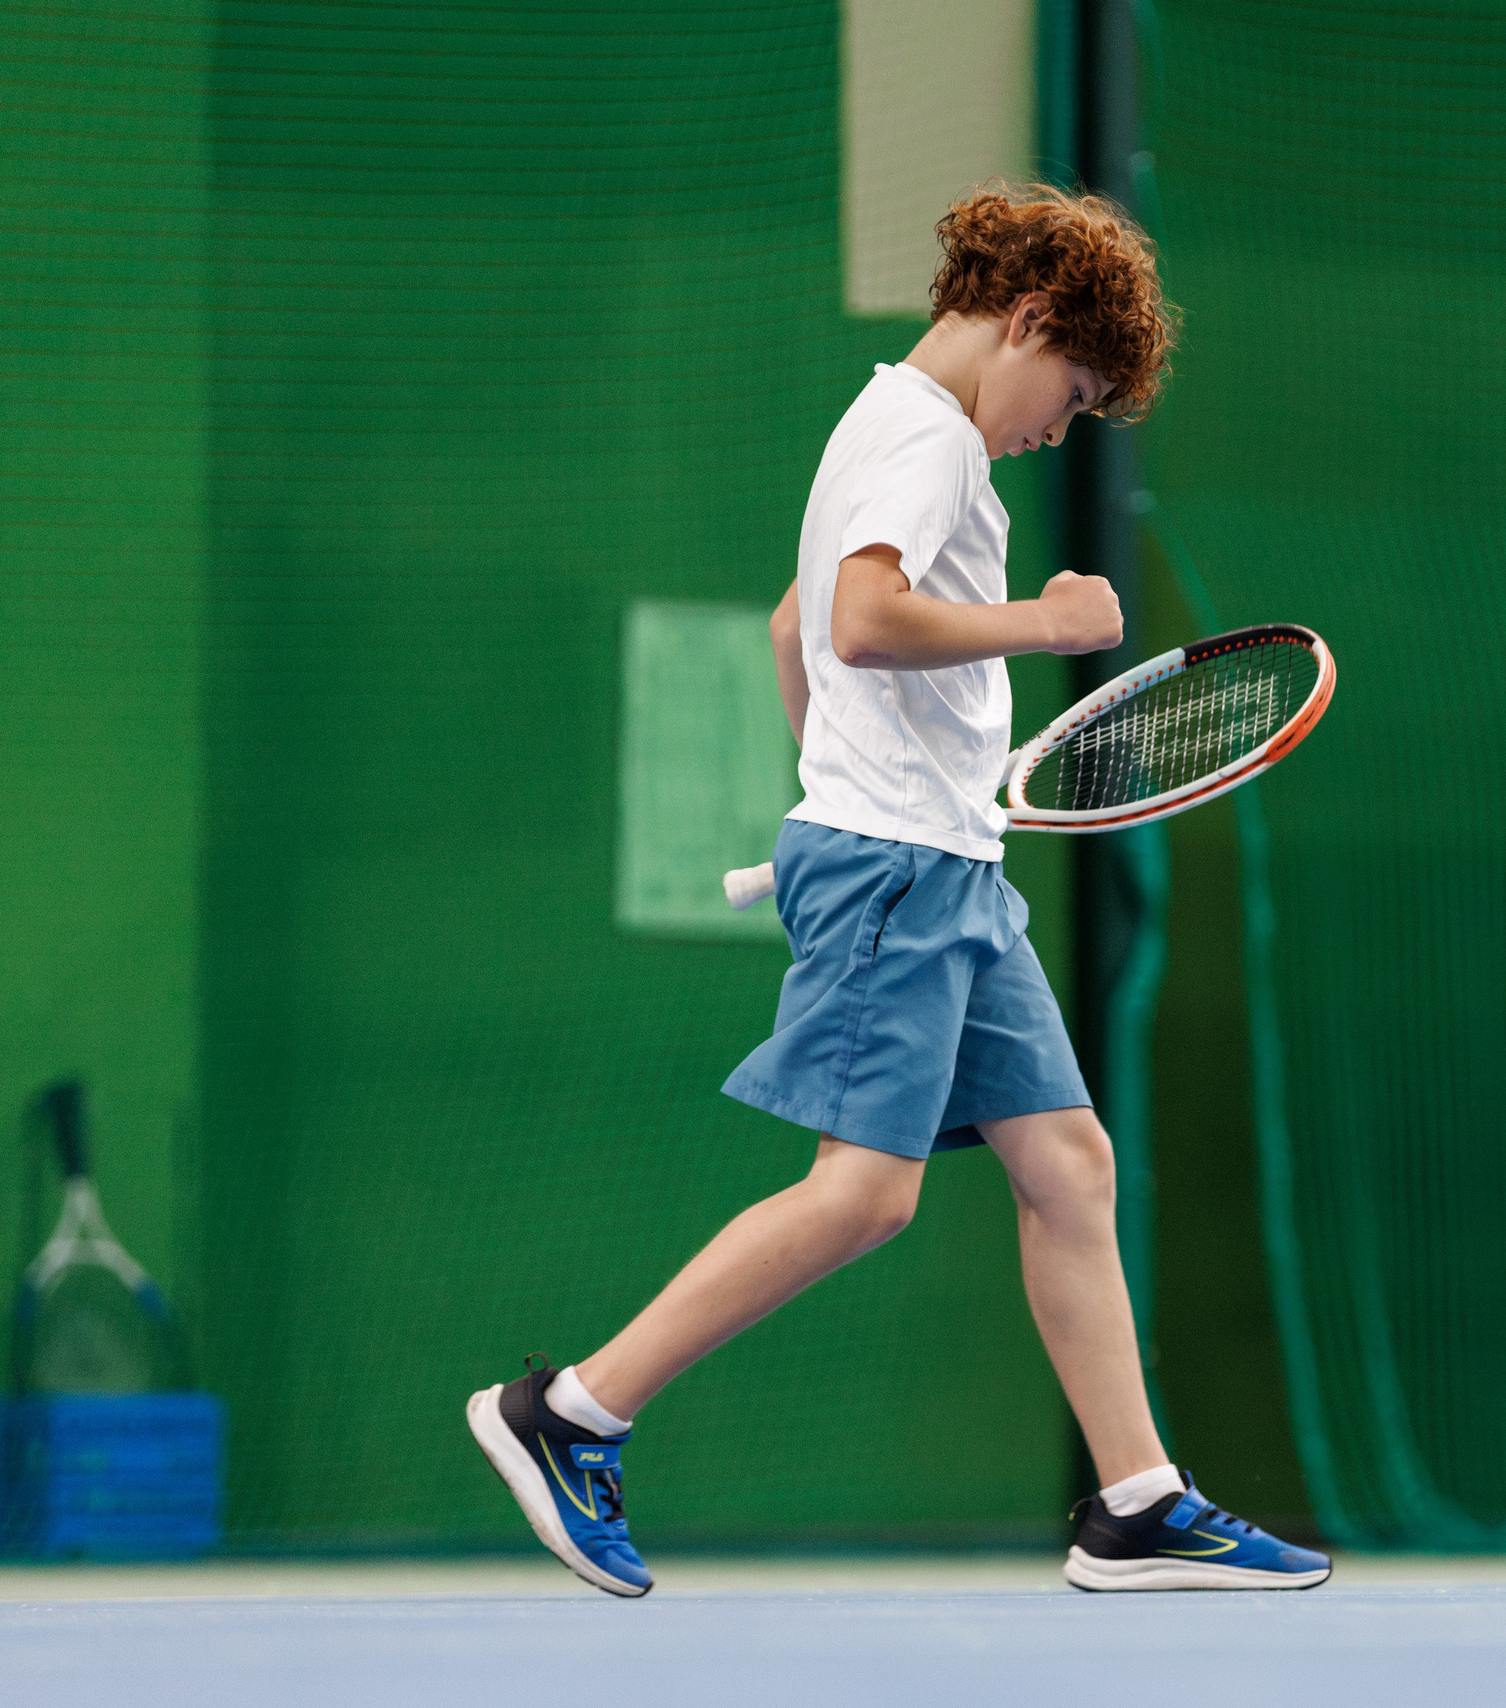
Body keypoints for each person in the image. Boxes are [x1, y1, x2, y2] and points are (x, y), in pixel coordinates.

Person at [465, 183, 1329, 1598]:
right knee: (865, 1197)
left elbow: (795, 625)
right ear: (1035, 320)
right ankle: (569, 1414)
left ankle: (1134, 1501)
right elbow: (860, 623)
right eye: (1077, 388)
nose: (1065, 423)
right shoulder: (926, 443)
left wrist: (854, 775)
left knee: (1071, 1166)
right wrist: (1044, 626)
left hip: (941, 867)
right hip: (899, 876)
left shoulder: (889, 435)